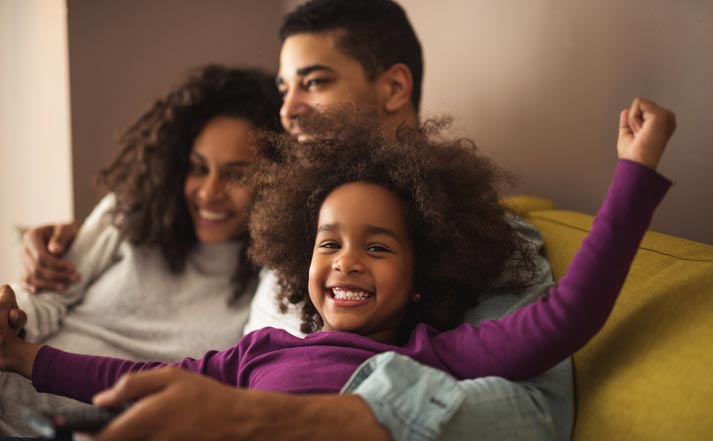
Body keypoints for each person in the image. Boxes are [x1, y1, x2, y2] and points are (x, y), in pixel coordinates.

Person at [15, 1, 576, 440]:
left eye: (314, 81)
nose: (286, 111)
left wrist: (267, 420)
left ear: (394, 87)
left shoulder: (477, 237)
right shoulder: (290, 225)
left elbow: (533, 419)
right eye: (285, 88)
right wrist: (65, 249)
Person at [0, 97, 675, 436]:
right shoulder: (256, 350)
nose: (347, 259)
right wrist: (23, 354)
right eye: (328, 243)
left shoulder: (434, 355)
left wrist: (633, 171)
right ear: (300, 257)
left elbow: (566, 316)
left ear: (422, 275)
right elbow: (133, 378)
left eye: (377, 246)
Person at [0, 65, 283, 437]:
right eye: (197, 168)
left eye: (236, 175)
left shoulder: (272, 284)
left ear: (279, 178)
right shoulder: (132, 215)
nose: (210, 192)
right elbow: (44, 301)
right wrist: (11, 318)